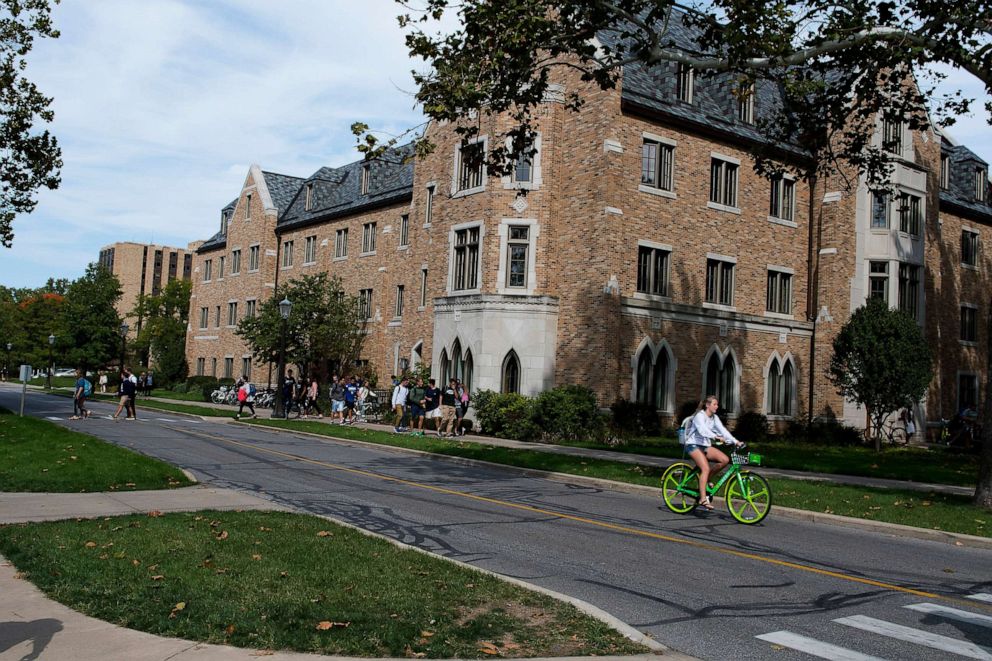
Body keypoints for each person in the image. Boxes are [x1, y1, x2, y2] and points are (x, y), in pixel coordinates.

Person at [683, 395, 739, 511]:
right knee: (705, 468)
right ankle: (703, 498)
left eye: (717, 404)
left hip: (705, 446)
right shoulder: (700, 416)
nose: (717, 406)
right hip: (692, 445)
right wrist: (715, 437)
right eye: (715, 404)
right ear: (707, 405)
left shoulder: (714, 418)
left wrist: (735, 441)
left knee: (725, 460)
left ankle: (707, 479)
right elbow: (703, 430)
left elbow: (723, 430)